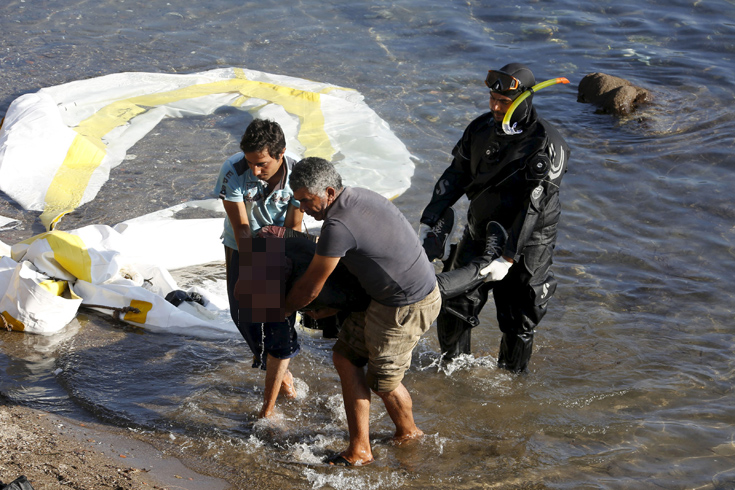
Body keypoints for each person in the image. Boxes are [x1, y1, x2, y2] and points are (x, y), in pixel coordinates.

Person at [284, 157, 441, 466]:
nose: (302, 208)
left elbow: (310, 288)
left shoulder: (337, 225)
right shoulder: (359, 196)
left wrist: (281, 310)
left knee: (383, 381)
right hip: (385, 296)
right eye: (297, 201)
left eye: (306, 200)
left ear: (329, 191)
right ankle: (361, 448)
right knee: (345, 357)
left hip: (405, 305)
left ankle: (409, 435)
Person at [419, 63, 570, 373]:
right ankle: (454, 371)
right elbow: (455, 175)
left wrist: (508, 257)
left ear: (524, 100)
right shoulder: (480, 129)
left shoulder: (546, 143)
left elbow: (533, 205)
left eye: (504, 102)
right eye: (492, 99)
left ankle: (511, 383)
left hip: (528, 241)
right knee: (454, 306)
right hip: (481, 228)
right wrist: (429, 220)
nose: (496, 107)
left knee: (519, 316)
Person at [214, 118, 304, 418]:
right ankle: (276, 369)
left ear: (281, 153)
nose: (255, 170)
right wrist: (252, 272)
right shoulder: (234, 169)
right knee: (242, 314)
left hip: (280, 247)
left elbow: (294, 224)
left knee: (276, 319)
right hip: (242, 245)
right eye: (251, 163)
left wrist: (284, 266)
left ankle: (278, 371)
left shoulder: (297, 175)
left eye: (262, 163)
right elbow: (241, 227)